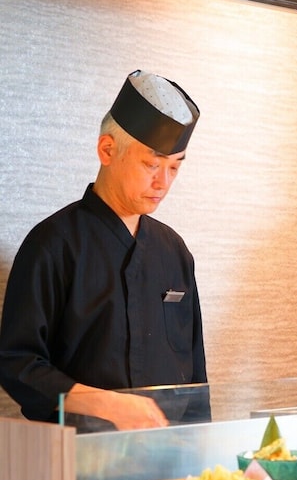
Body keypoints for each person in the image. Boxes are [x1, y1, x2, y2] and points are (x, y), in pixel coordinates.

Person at [0, 70, 208, 431]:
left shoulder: (174, 252)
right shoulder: (52, 244)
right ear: (107, 150)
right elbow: (17, 362)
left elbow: (195, 379)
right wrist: (106, 404)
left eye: (174, 167)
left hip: (168, 456)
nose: (163, 182)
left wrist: (200, 448)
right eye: (152, 164)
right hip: (75, 455)